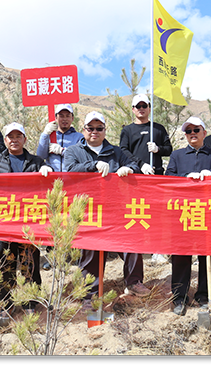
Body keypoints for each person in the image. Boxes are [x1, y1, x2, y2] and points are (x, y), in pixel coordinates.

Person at [63, 111, 143, 306]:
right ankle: (88, 295)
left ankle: (134, 282)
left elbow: (134, 165)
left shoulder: (116, 151)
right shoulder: (73, 151)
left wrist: (129, 169)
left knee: (130, 241)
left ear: (105, 130)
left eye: (99, 128)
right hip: (88, 209)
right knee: (90, 252)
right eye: (91, 128)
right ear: (83, 130)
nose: (95, 131)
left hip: (115, 208)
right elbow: (71, 170)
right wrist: (93, 165)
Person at [0, 123, 53, 322]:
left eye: (18, 136)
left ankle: (30, 302)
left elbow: (48, 184)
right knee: (4, 263)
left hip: (29, 222)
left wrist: (47, 170)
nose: (14, 140)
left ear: (24, 139)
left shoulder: (36, 161)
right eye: (10, 137)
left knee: (29, 262)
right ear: (5, 140)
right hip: (4, 222)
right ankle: (5, 304)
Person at [165, 117, 211, 315]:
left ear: (204, 133)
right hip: (183, 212)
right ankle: (179, 298)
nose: (192, 133)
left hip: (208, 212)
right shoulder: (177, 155)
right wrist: (184, 178)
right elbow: (168, 177)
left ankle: (204, 295)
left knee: (207, 255)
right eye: (188, 131)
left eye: (196, 130)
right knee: (181, 255)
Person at [120, 94, 173, 267]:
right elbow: (123, 151)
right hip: (135, 178)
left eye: (144, 105)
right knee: (137, 213)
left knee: (157, 213)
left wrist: (158, 149)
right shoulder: (127, 131)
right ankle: (138, 247)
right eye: (138, 106)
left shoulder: (158, 128)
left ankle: (157, 249)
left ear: (149, 108)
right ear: (133, 109)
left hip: (156, 177)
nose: (141, 109)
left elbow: (169, 149)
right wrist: (140, 164)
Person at [35, 103, 83, 270]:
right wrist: (44, 135)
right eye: (61, 115)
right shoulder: (50, 135)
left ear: (72, 118)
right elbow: (40, 155)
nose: (64, 119)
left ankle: (73, 254)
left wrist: (63, 150)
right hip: (53, 184)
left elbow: (81, 155)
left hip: (72, 183)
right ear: (55, 117)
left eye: (67, 115)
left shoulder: (78, 137)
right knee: (54, 218)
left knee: (72, 217)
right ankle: (52, 256)